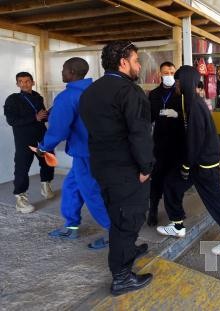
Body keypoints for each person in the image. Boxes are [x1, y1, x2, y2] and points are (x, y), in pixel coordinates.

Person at [79, 41, 153, 296]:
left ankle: (128, 250)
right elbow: (139, 133)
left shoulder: (90, 91)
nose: (139, 65)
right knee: (128, 220)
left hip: (102, 167)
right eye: (136, 60)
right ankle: (122, 277)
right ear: (123, 62)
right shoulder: (129, 92)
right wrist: (146, 166)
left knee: (117, 213)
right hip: (127, 170)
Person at [157, 65, 220, 256]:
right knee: (171, 184)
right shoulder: (188, 100)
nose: (175, 84)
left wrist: (186, 165)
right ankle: (177, 225)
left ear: (184, 82)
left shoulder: (195, 104)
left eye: (177, 81)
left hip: (205, 163)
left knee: (214, 200)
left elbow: (195, 138)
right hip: (196, 160)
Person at [36, 58, 110, 248]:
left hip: (86, 152)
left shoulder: (67, 97)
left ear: (71, 72)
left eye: (63, 69)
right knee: (71, 186)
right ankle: (71, 226)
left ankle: (114, 233)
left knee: (92, 193)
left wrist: (44, 146)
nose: (61, 73)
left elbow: (58, 129)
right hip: (98, 150)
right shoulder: (98, 91)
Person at [4, 72, 55, 213]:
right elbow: (12, 121)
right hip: (24, 140)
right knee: (22, 168)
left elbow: (42, 118)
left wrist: (49, 113)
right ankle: (21, 199)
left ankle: (46, 187)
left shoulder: (38, 97)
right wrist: (35, 117)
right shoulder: (12, 99)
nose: (24, 84)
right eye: (21, 81)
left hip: (41, 136)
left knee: (49, 160)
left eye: (27, 81)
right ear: (17, 84)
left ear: (32, 82)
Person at [146, 61, 184, 227]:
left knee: (175, 180)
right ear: (160, 74)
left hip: (177, 143)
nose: (169, 75)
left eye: (172, 72)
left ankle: (176, 212)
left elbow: (188, 118)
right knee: (157, 179)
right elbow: (149, 118)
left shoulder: (180, 94)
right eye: (166, 72)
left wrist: (177, 115)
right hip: (159, 144)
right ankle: (153, 209)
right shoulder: (154, 94)